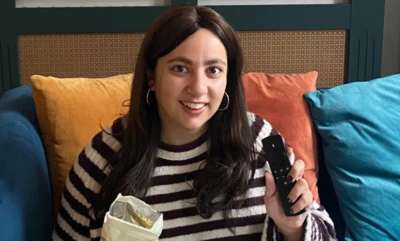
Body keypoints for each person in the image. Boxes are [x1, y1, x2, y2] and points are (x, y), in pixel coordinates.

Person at [52, 5, 336, 241]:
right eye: (180, 68)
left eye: (213, 70)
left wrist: (293, 228)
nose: (198, 88)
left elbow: (324, 232)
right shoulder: (102, 160)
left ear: (227, 79)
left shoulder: (259, 140)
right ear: (152, 76)